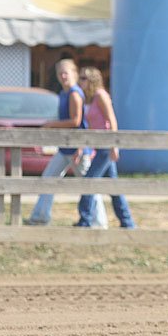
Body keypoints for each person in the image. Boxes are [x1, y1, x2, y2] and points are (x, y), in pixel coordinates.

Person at [25, 59, 97, 226]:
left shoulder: (74, 93)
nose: (63, 76)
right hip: (65, 147)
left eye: (66, 72)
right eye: (60, 73)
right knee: (48, 178)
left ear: (74, 73)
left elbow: (75, 121)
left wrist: (51, 125)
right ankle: (40, 216)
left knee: (89, 184)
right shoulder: (64, 93)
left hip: (77, 148)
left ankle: (97, 220)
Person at [74, 67, 136, 228]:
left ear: (92, 80)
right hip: (98, 146)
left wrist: (114, 146)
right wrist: (82, 147)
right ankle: (127, 221)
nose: (80, 81)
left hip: (106, 147)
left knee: (89, 182)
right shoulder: (89, 98)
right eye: (80, 78)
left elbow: (111, 120)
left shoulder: (101, 95)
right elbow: (91, 126)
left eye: (83, 78)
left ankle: (85, 219)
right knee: (113, 187)